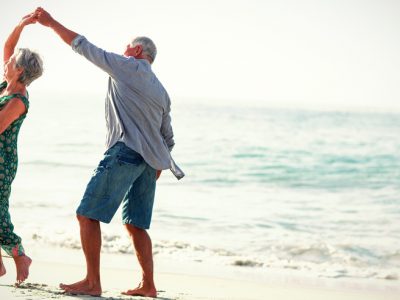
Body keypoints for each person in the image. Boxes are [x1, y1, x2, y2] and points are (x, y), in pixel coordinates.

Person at [35, 7, 183, 297]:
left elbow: (84, 47)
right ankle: (148, 285)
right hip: (149, 163)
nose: (123, 50)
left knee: (86, 214)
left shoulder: (128, 66)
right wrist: (156, 166)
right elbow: (168, 136)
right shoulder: (162, 91)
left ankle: (92, 282)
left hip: (125, 152)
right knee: (136, 224)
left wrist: (51, 23)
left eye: (127, 47)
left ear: (137, 50)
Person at [0, 13, 43, 285]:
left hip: (2, 162)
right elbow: (7, 48)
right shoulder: (7, 84)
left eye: (11, 62)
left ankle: (19, 256)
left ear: (20, 71)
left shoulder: (18, 100)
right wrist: (21, 25)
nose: (6, 62)